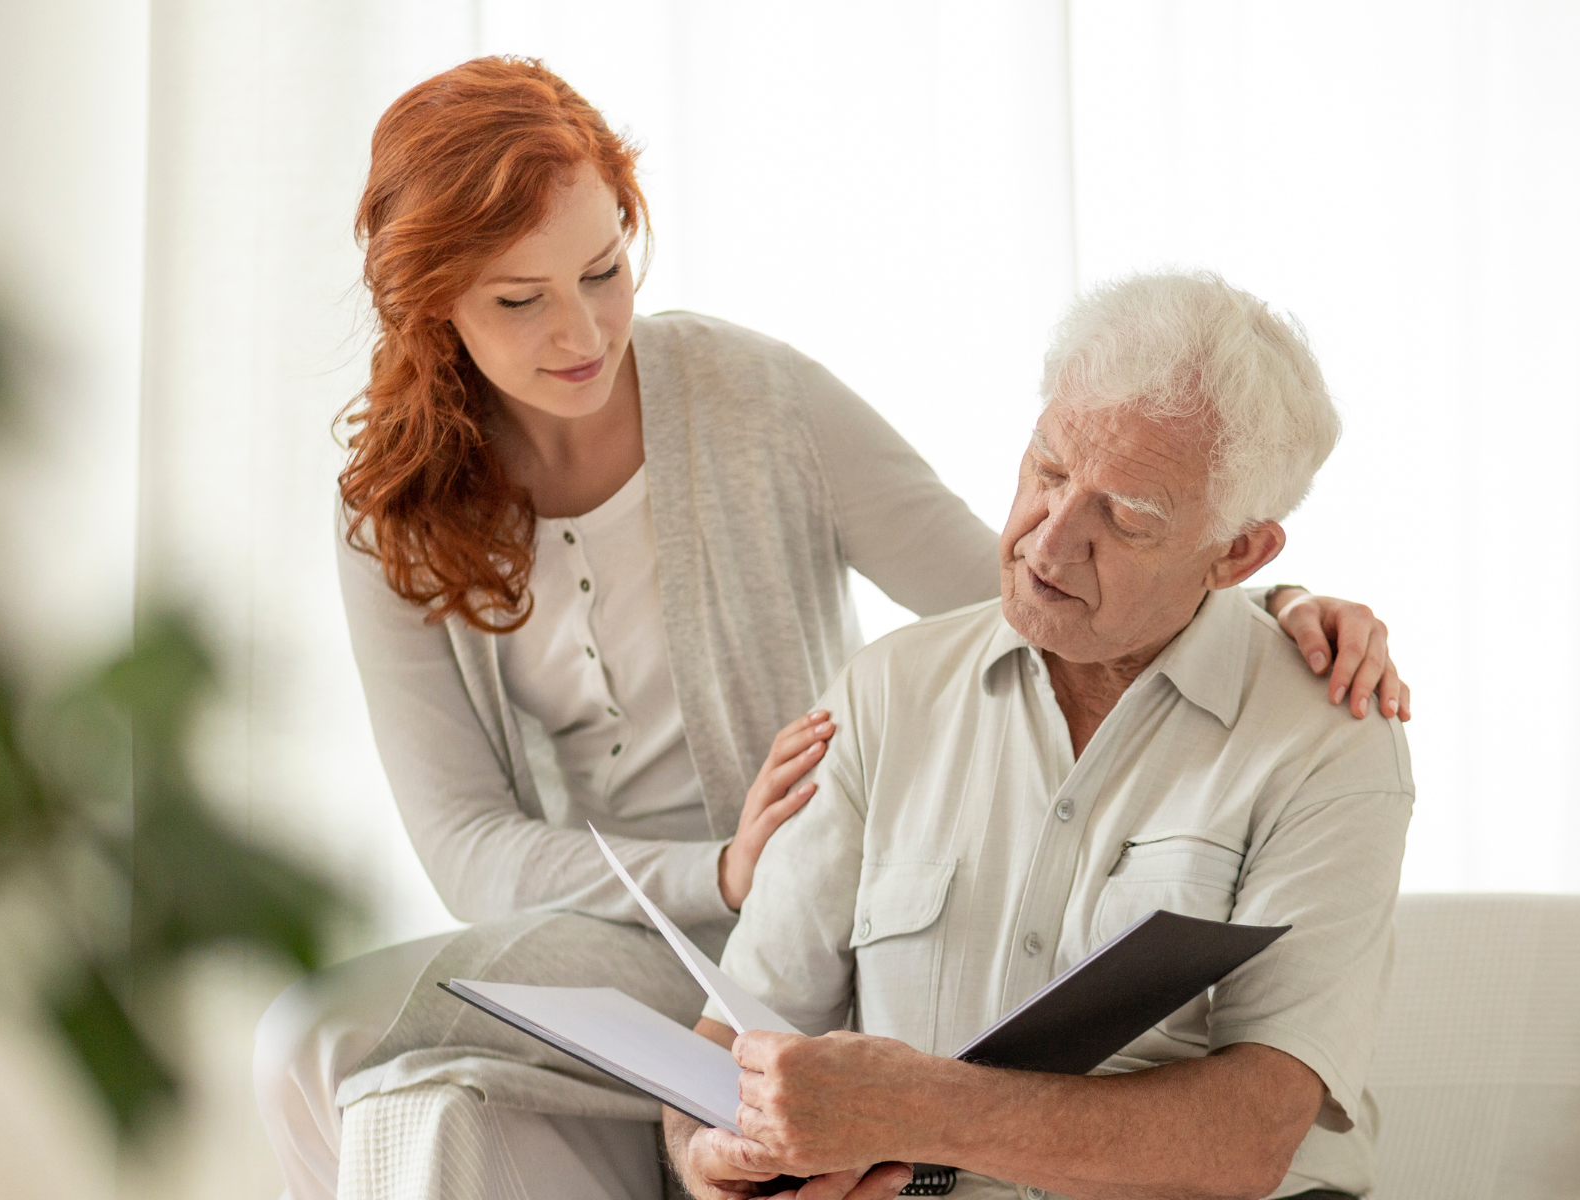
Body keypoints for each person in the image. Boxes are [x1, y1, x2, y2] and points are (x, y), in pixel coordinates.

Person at [251, 57, 1410, 1200]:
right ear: (430, 305)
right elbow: (464, 841)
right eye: (519, 299)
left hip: (809, 894)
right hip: (626, 926)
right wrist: (720, 873)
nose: (583, 331)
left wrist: (1261, 616)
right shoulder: (389, 514)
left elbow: (1015, 591)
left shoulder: (759, 398)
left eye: (606, 270)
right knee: (323, 1045)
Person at [668, 271, 1412, 1200]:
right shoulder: (888, 693)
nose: (1049, 543)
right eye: (1050, 471)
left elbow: (1250, 1137)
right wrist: (713, 1163)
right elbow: (729, 1046)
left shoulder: (1328, 738)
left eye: (1128, 518)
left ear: (1239, 553)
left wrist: (913, 1105)